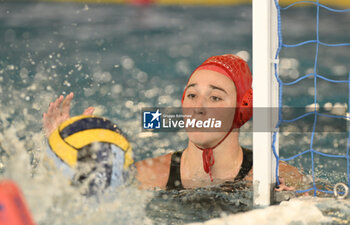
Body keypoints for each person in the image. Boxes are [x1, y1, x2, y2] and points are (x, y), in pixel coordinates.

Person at [43, 54, 301, 192]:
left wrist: (294, 202)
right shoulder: (148, 176)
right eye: (192, 95)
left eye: (215, 97)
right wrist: (61, 157)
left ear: (241, 110)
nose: (198, 107)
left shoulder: (276, 177)